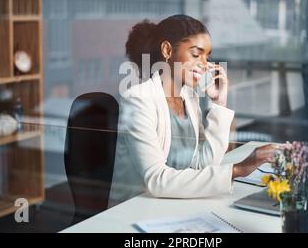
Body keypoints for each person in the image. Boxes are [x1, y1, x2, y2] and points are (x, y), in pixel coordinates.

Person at [109, 14, 280, 207]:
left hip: (173, 205)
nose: (205, 64)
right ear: (167, 50)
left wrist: (218, 103)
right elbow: (156, 179)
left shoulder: (189, 98)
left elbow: (202, 163)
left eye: (207, 56)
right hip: (135, 208)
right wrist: (237, 169)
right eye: (196, 54)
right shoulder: (138, 98)